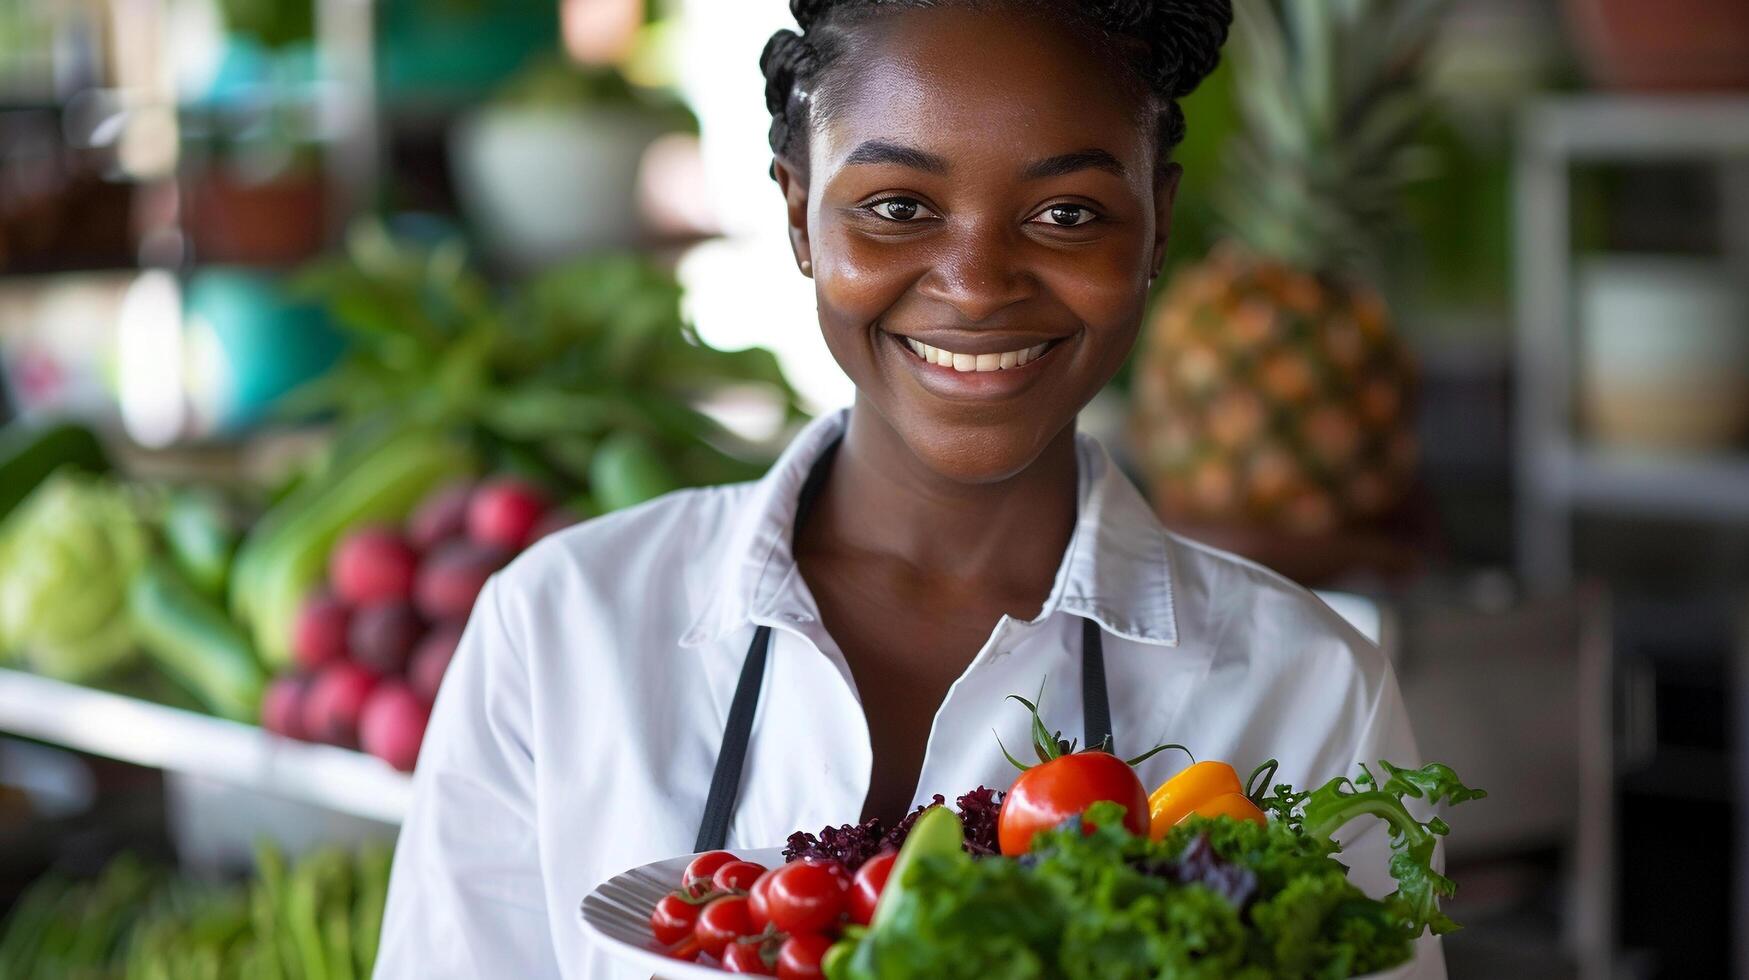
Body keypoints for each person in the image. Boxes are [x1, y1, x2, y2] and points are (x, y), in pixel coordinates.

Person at [376, 1, 1444, 977]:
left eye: (1068, 213)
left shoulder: (1307, 696)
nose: (977, 284)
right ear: (799, 214)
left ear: (1156, 222)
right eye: (896, 204)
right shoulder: (562, 628)